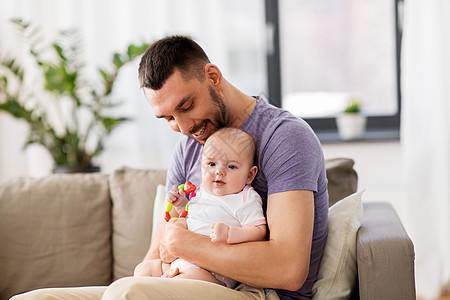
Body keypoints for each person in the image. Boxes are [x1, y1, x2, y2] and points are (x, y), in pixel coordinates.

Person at [103, 35, 328, 300]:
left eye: (186, 106)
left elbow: (288, 269)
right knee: (46, 298)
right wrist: (158, 264)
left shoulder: (284, 137)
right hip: (179, 282)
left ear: (213, 76)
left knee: (126, 293)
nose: (184, 127)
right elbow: (159, 252)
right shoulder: (187, 150)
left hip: (258, 294)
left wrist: (184, 244)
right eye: (168, 118)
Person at [134, 127, 267, 289]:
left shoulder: (245, 198)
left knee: (178, 286)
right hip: (180, 261)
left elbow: (259, 230)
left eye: (231, 167)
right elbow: (192, 214)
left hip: (212, 271)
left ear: (250, 175)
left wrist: (230, 234)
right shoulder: (202, 191)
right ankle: (165, 282)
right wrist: (180, 203)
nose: (219, 172)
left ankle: (167, 284)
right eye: (211, 164)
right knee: (142, 270)